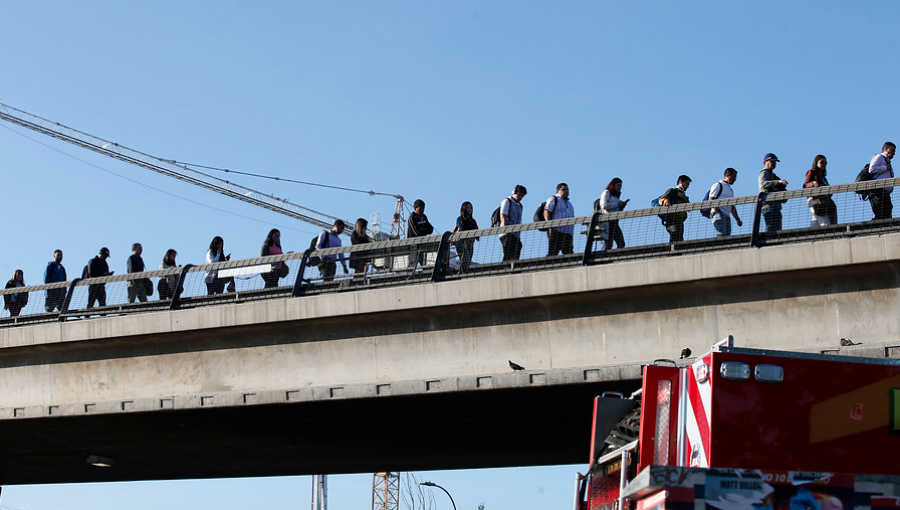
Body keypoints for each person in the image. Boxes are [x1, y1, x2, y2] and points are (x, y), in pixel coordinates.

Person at [758, 153, 789, 232]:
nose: (773, 163)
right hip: (768, 206)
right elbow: (764, 184)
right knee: (771, 229)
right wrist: (778, 182)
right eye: (771, 161)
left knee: (777, 230)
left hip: (775, 206)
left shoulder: (773, 175)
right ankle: (769, 243)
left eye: (775, 162)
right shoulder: (764, 173)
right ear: (765, 162)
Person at [709, 168, 744, 236]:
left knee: (727, 236)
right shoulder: (718, 185)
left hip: (726, 216)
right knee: (721, 234)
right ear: (728, 175)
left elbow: (732, 206)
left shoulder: (730, 190)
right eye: (733, 177)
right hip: (718, 214)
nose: (735, 179)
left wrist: (737, 219)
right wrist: (718, 211)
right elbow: (711, 199)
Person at [804, 155, 837, 226]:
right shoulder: (811, 172)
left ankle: (811, 234)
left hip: (823, 200)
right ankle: (827, 233)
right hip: (814, 199)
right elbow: (805, 185)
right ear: (816, 162)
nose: (824, 164)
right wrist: (813, 183)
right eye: (822, 162)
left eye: (825, 163)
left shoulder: (823, 177)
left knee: (816, 219)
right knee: (823, 218)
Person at [597, 178, 629, 250]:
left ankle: (617, 257)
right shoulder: (607, 193)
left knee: (621, 243)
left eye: (621, 185)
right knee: (609, 243)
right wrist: (618, 204)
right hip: (607, 221)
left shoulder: (616, 196)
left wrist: (621, 206)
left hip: (615, 221)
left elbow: (615, 209)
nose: (620, 187)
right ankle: (606, 258)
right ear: (613, 185)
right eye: (618, 185)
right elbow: (604, 205)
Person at [544, 183, 575, 256]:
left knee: (569, 254)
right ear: (558, 191)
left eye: (567, 189)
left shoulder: (569, 203)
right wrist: (550, 227)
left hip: (567, 233)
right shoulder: (554, 199)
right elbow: (547, 212)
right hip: (556, 231)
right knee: (553, 254)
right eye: (563, 189)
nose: (566, 191)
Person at [658, 175, 692, 242]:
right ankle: (674, 251)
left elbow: (689, 208)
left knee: (678, 237)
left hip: (679, 220)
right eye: (687, 184)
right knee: (676, 237)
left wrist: (683, 197)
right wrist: (666, 201)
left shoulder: (683, 195)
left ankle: (675, 251)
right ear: (681, 182)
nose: (688, 186)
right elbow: (662, 198)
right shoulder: (673, 191)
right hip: (672, 219)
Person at [869, 142, 895, 220]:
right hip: (878, 192)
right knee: (881, 214)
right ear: (886, 149)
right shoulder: (879, 157)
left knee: (887, 214)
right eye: (892, 150)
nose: (894, 153)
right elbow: (872, 169)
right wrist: (885, 168)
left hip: (885, 193)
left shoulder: (887, 162)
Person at [500, 185, 527, 261]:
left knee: (518, 247)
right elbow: (503, 215)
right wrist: (506, 229)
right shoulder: (507, 201)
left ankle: (514, 266)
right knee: (508, 252)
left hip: (515, 233)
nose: (520, 197)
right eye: (519, 194)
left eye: (522, 195)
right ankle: (505, 268)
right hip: (507, 232)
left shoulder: (520, 206)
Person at [407, 199, 435, 268]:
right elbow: (416, 232)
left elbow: (431, 228)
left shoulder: (424, 217)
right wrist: (425, 230)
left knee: (423, 260)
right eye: (421, 208)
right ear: (415, 208)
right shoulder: (412, 218)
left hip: (423, 243)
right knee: (413, 261)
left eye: (423, 208)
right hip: (413, 243)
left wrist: (424, 230)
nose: (422, 210)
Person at [453, 201, 479, 271]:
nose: (469, 209)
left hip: (470, 242)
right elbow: (462, 228)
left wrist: (474, 236)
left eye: (471, 208)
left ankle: (464, 272)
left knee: (468, 258)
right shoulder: (460, 219)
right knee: (465, 257)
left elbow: (477, 231)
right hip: (461, 241)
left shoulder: (473, 221)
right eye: (467, 208)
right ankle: (463, 272)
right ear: (464, 209)